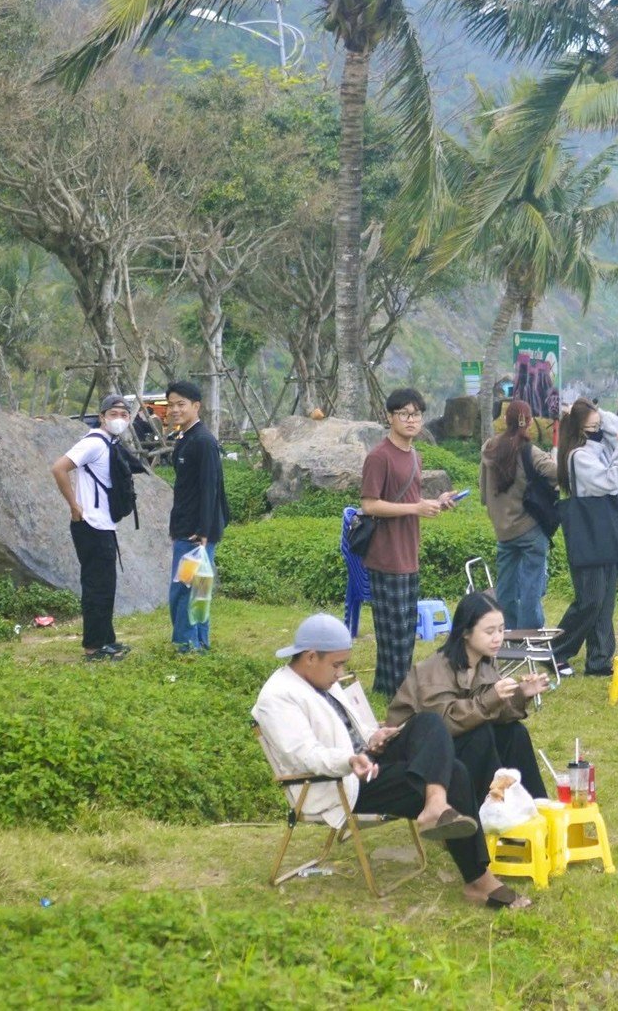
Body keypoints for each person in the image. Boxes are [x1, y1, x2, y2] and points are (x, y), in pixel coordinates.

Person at [253, 613, 530, 911]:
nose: (340, 672)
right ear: (310, 657)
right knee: (455, 771)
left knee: (428, 722)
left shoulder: (319, 678)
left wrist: (375, 735)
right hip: (341, 781)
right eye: (337, 664)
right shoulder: (278, 698)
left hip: (366, 760)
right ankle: (478, 879)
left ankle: (436, 806)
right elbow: (305, 755)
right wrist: (349, 759)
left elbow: (352, 728)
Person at [387, 591, 550, 801]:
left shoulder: (484, 660)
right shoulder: (435, 670)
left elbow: (492, 713)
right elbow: (444, 723)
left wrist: (521, 694)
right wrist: (491, 697)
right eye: (489, 631)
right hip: (415, 755)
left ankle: (535, 804)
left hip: (456, 744)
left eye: (501, 629)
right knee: (481, 735)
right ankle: (495, 806)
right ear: (465, 632)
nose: (498, 638)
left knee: (514, 732)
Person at [362, 387, 461, 697]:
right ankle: (397, 693)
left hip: (408, 551)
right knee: (392, 632)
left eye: (416, 414)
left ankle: (388, 688)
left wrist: (435, 502)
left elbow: (408, 498)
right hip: (385, 554)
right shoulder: (379, 457)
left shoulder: (414, 455)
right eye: (403, 414)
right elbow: (370, 504)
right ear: (390, 417)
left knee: (405, 629)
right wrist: (416, 508)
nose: (410, 419)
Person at [51, 394, 137, 661]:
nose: (119, 419)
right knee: (97, 586)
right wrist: (75, 506)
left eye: (124, 415)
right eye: (114, 414)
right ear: (102, 417)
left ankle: (106, 639)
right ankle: (93, 648)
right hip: (91, 525)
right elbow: (59, 468)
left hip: (104, 524)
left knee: (105, 585)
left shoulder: (110, 443)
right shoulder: (93, 443)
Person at [550, 400, 618, 676]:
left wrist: (590, 410)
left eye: (599, 425)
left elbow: (615, 426)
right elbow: (610, 481)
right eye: (592, 427)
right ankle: (555, 651)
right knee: (590, 600)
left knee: (606, 599)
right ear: (580, 430)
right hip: (591, 532)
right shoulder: (580, 456)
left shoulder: (598, 447)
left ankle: (599, 660)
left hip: (604, 530)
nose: (600, 430)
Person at [480, 400, 559, 631]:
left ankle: (510, 632)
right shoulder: (529, 451)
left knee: (505, 588)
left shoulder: (488, 447)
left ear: (506, 420)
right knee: (531, 587)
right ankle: (530, 635)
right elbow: (557, 473)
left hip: (503, 530)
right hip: (530, 528)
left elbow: (483, 490)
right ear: (529, 421)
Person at [165, 380, 228, 655]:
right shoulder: (185, 437)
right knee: (199, 588)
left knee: (185, 589)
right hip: (188, 527)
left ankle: (187, 645)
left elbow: (210, 488)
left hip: (195, 532)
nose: (175, 410)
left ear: (196, 406)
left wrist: (204, 529)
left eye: (181, 404)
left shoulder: (203, 441)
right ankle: (199, 644)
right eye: (171, 405)